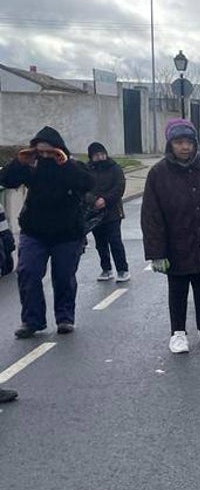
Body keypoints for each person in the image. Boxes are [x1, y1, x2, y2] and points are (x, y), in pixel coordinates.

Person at [0, 126, 93, 338]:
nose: (44, 156)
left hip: (67, 233)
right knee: (28, 272)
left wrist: (64, 163)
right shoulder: (32, 167)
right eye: (40, 152)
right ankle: (32, 320)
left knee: (63, 276)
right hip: (35, 231)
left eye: (49, 152)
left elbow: (87, 183)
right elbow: (6, 180)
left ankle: (65, 318)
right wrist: (20, 161)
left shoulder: (73, 167)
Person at [142, 119, 200, 354]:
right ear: (170, 145)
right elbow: (151, 215)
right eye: (179, 142)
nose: (185, 147)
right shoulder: (158, 174)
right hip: (174, 243)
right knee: (177, 288)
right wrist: (156, 252)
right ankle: (177, 333)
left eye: (189, 142)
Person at [85, 142, 130, 282]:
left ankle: (122, 269)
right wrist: (93, 201)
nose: (100, 157)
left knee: (115, 241)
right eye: (97, 155)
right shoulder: (87, 170)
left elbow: (119, 187)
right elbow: (83, 189)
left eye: (102, 154)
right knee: (100, 243)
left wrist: (105, 200)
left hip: (112, 212)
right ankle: (106, 269)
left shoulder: (115, 168)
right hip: (94, 212)